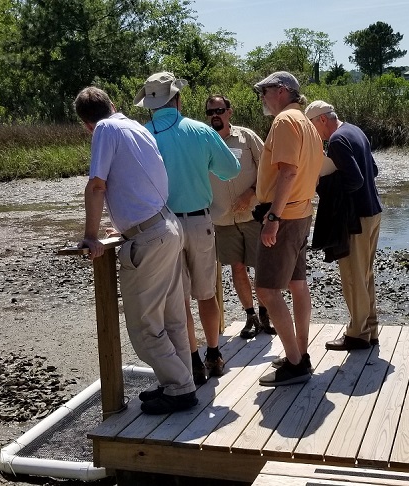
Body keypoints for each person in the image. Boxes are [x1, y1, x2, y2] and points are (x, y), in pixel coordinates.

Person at [73, 86, 196, 415]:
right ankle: (178, 382)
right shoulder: (136, 127)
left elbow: (97, 185)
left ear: (86, 125)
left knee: (144, 327)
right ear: (113, 104)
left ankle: (180, 387)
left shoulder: (104, 129)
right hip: (166, 225)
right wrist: (126, 227)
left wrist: (90, 236)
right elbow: (138, 181)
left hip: (150, 237)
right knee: (172, 317)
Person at [135, 72, 240, 385]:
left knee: (178, 299)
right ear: (177, 99)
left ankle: (192, 359)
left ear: (150, 105)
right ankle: (214, 353)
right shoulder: (200, 130)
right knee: (207, 293)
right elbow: (231, 169)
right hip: (199, 221)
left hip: (163, 226)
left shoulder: (143, 136)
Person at [252, 71, 325, 386]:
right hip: (302, 213)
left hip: (284, 217)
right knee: (297, 283)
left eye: (264, 92)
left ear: (281, 91)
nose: (263, 98)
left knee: (267, 290)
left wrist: (272, 218)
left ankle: (295, 363)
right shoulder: (307, 123)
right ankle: (300, 353)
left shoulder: (284, 121)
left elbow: (288, 172)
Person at [305, 100, 384, 351]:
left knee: (353, 277)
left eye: (312, 127)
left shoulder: (337, 140)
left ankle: (357, 334)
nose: (314, 134)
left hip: (355, 219)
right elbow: (373, 170)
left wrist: (322, 182)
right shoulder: (355, 130)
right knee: (365, 275)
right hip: (373, 211)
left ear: (322, 120)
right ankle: (370, 329)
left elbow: (355, 180)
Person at [204, 94, 274, 339]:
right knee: (237, 267)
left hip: (252, 215)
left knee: (261, 267)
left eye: (219, 110)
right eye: (210, 112)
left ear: (229, 112)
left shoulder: (247, 137)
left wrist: (252, 192)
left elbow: (268, 168)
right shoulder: (204, 140)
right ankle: (250, 316)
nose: (215, 115)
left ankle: (266, 313)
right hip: (222, 219)